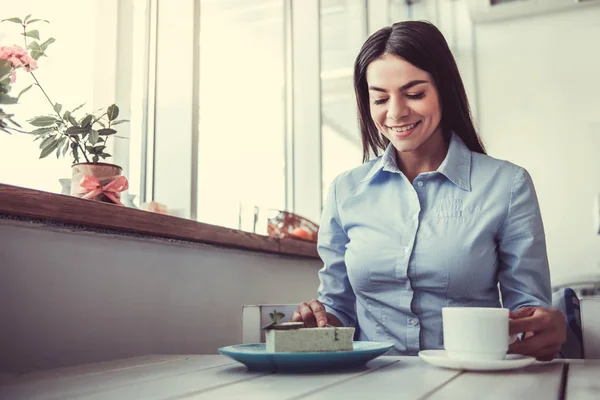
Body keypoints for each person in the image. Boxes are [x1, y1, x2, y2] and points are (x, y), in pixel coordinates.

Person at [291, 21, 566, 360]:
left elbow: (527, 307)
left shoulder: (507, 185)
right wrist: (317, 320)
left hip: (469, 380)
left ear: (444, 90)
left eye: (415, 94)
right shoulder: (344, 192)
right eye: (379, 98)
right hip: (370, 384)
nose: (395, 113)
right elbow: (339, 310)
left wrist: (544, 325)